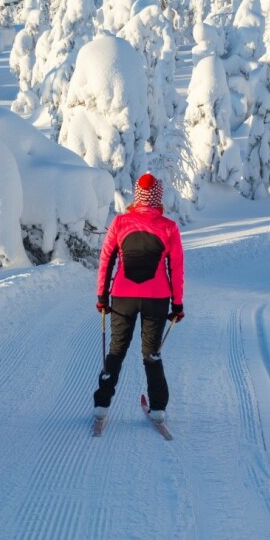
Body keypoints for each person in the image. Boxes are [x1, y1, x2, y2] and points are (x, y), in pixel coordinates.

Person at [93, 173, 184, 424]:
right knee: (151, 354)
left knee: (116, 351)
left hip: (123, 296)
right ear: (158, 197)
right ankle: (158, 409)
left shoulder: (120, 223)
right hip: (157, 298)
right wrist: (177, 303)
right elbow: (175, 268)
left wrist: (102, 296)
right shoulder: (169, 227)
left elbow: (106, 261)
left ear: (137, 196)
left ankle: (101, 404)